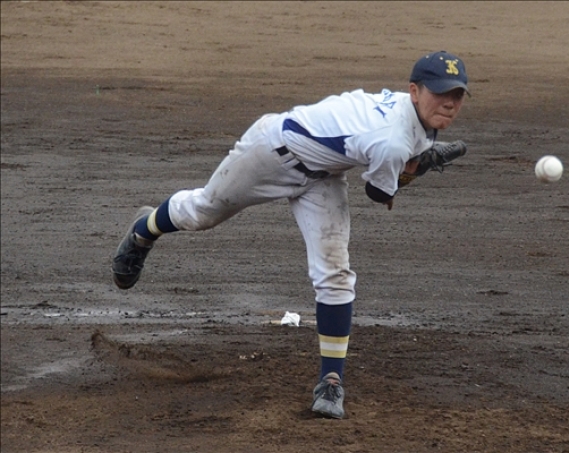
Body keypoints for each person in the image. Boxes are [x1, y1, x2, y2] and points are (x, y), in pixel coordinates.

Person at [111, 50, 470, 419]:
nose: (449, 103)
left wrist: (416, 159)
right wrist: (414, 169)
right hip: (270, 153)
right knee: (203, 212)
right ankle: (143, 231)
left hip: (324, 176)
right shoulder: (392, 140)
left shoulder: (414, 119)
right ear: (414, 91)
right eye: (440, 93)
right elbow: (379, 193)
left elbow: (396, 152)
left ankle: (331, 381)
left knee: (334, 273)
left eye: (457, 95)